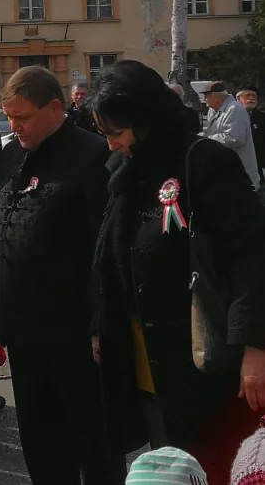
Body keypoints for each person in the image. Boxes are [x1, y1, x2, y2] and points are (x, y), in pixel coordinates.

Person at [91, 60, 265, 482]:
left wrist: (255, 348)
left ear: (146, 119)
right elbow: (109, 256)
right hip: (149, 366)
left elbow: (251, 256)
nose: (112, 144)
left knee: (216, 466)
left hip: (207, 368)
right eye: (105, 134)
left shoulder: (204, 163)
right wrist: (101, 325)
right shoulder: (124, 171)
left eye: (117, 132)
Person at [0, 66, 124, 485]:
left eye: (23, 118)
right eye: (9, 117)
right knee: (40, 440)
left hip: (75, 334)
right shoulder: (10, 154)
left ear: (54, 107)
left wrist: (101, 322)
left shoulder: (93, 156)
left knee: (92, 441)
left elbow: (107, 251)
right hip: (22, 332)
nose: (15, 126)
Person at [203, 81, 261, 184]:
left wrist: (206, 139)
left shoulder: (235, 109)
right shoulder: (213, 110)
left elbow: (235, 139)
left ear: (216, 97)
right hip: (223, 170)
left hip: (240, 174)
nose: (204, 100)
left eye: (206, 96)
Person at [237, 85, 265, 186]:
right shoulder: (232, 117)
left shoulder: (261, 118)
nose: (252, 98)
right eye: (248, 95)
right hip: (236, 165)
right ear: (238, 98)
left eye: (254, 96)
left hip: (257, 168)